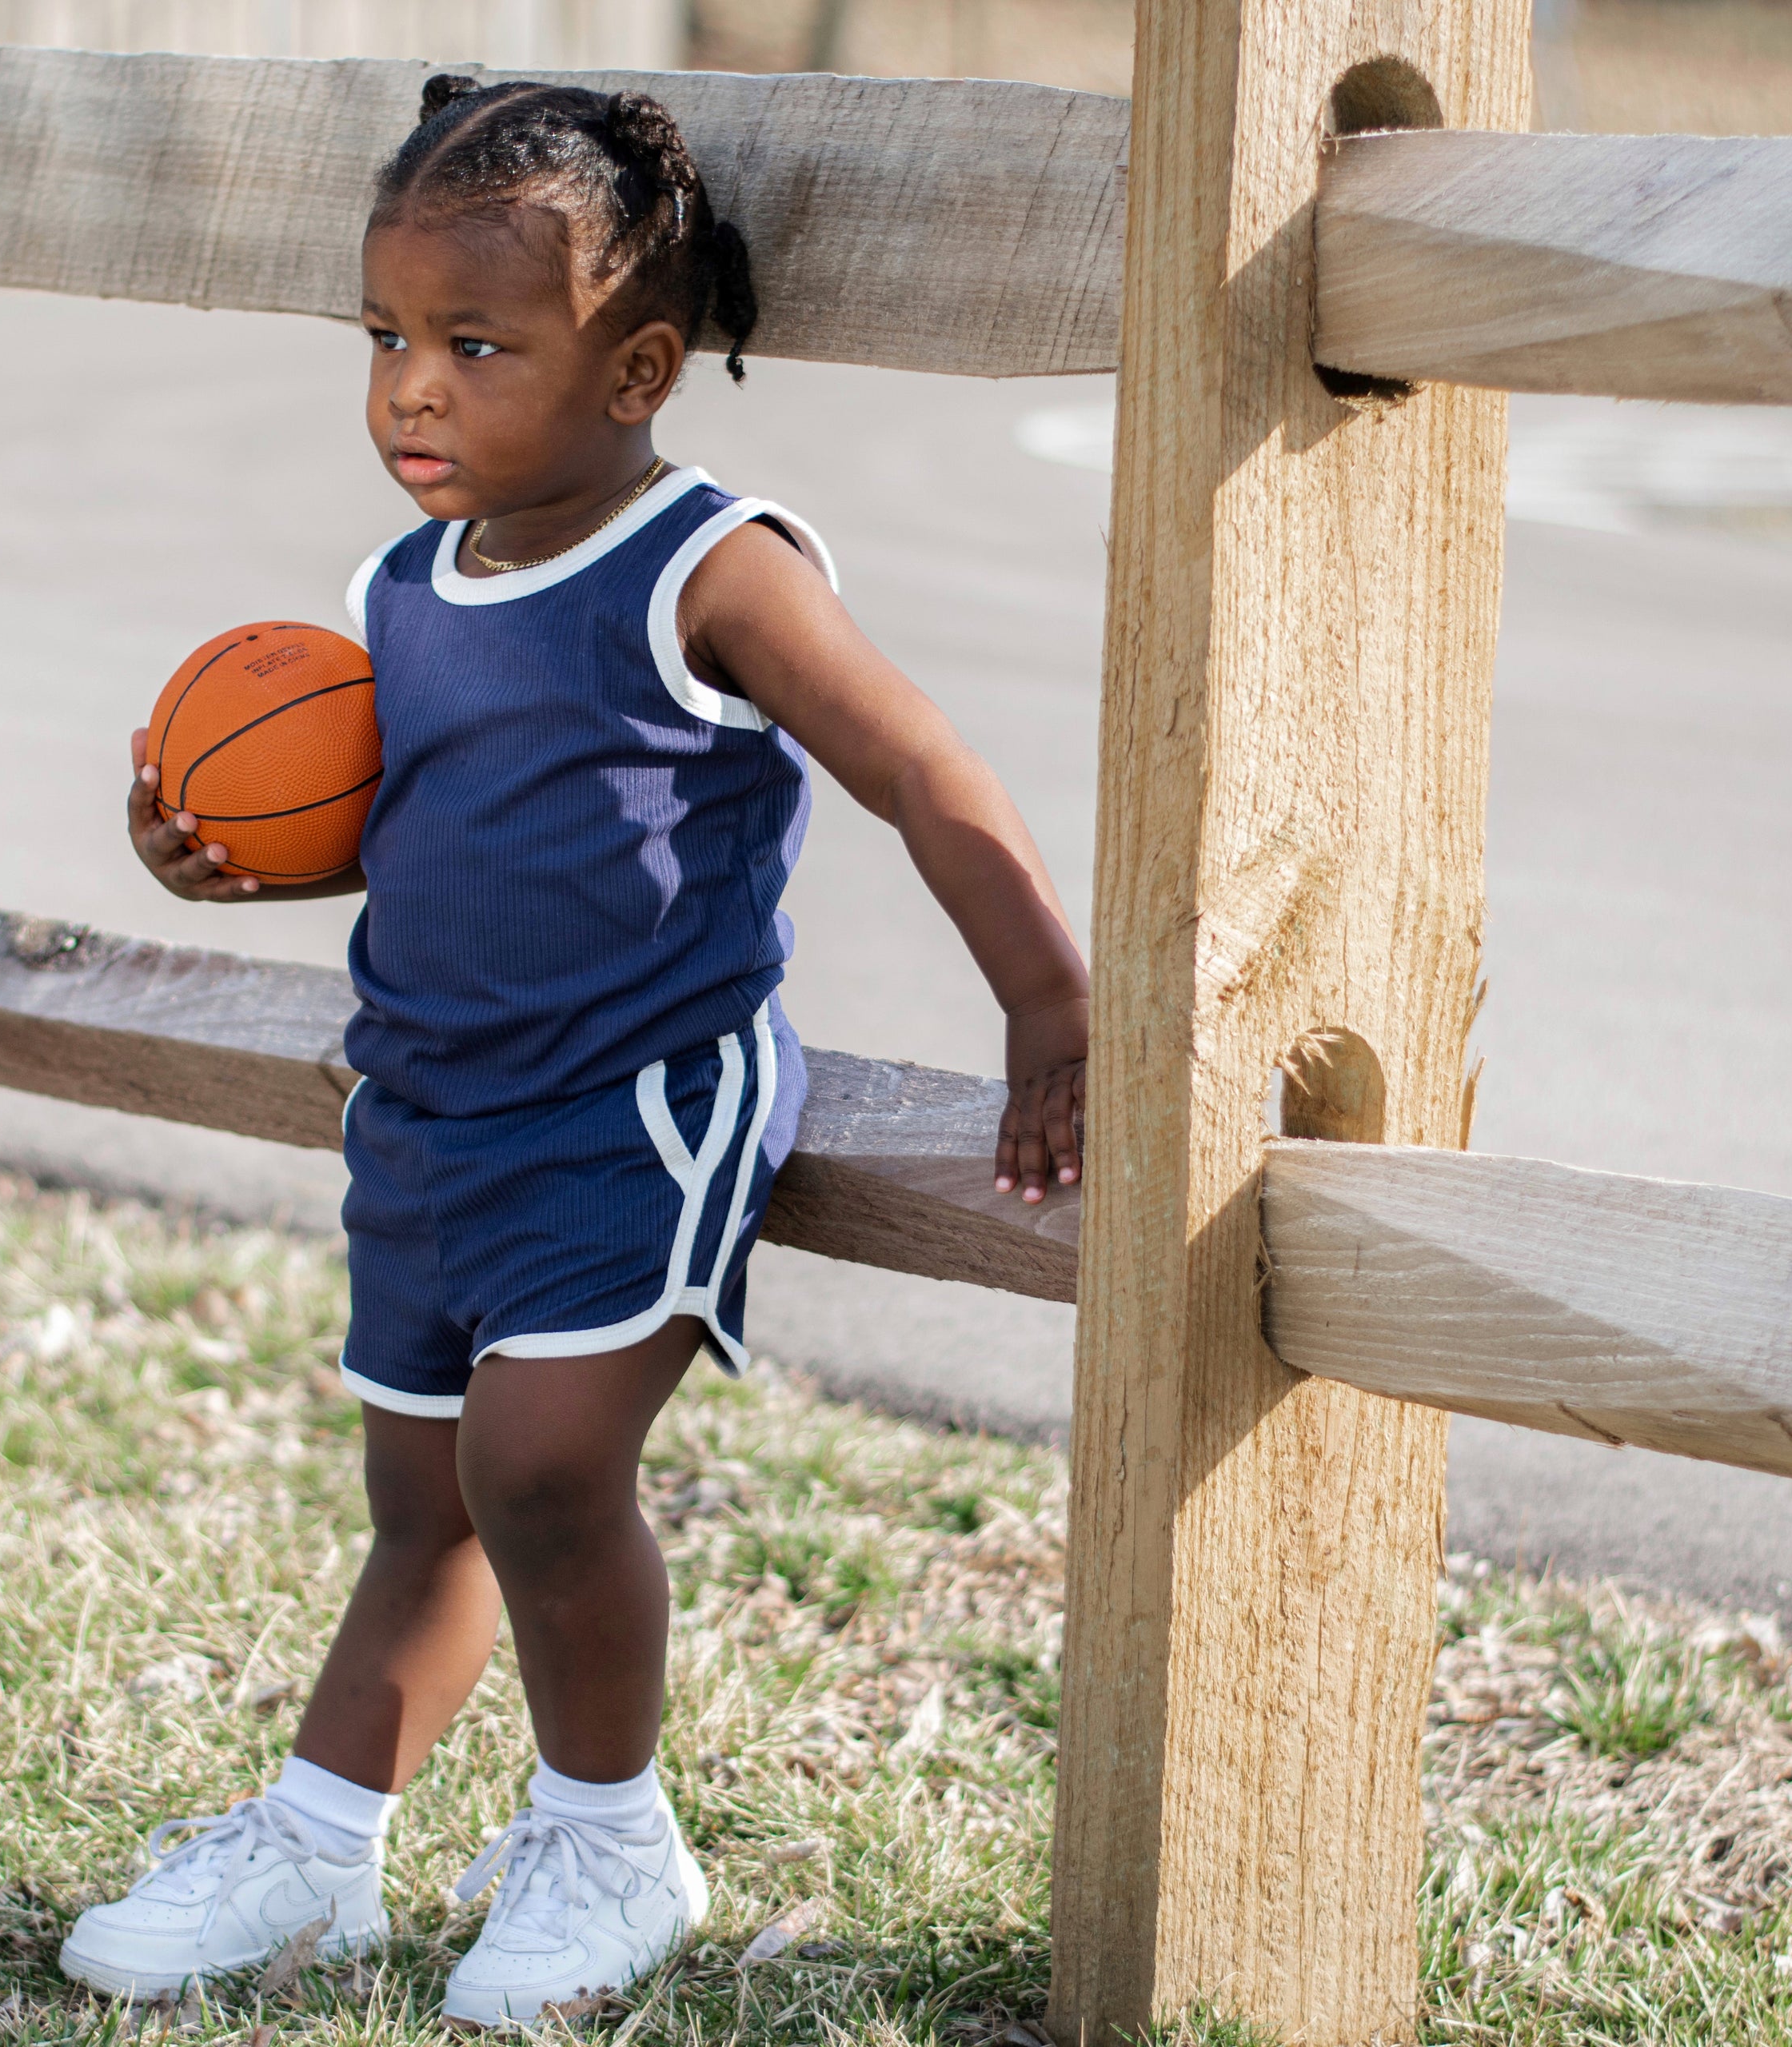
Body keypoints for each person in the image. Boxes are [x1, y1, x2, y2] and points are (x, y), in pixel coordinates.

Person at [61, 75, 1090, 2029]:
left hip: (637, 1103)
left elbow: (919, 761)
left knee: (541, 1468)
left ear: (634, 367)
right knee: (425, 1496)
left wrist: (1048, 995)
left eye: (472, 345)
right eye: (383, 339)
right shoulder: (393, 593)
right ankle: (319, 1846)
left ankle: (611, 1837)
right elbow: (432, 832)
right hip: (427, 1111)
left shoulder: (711, 560)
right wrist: (212, 862)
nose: (410, 392)